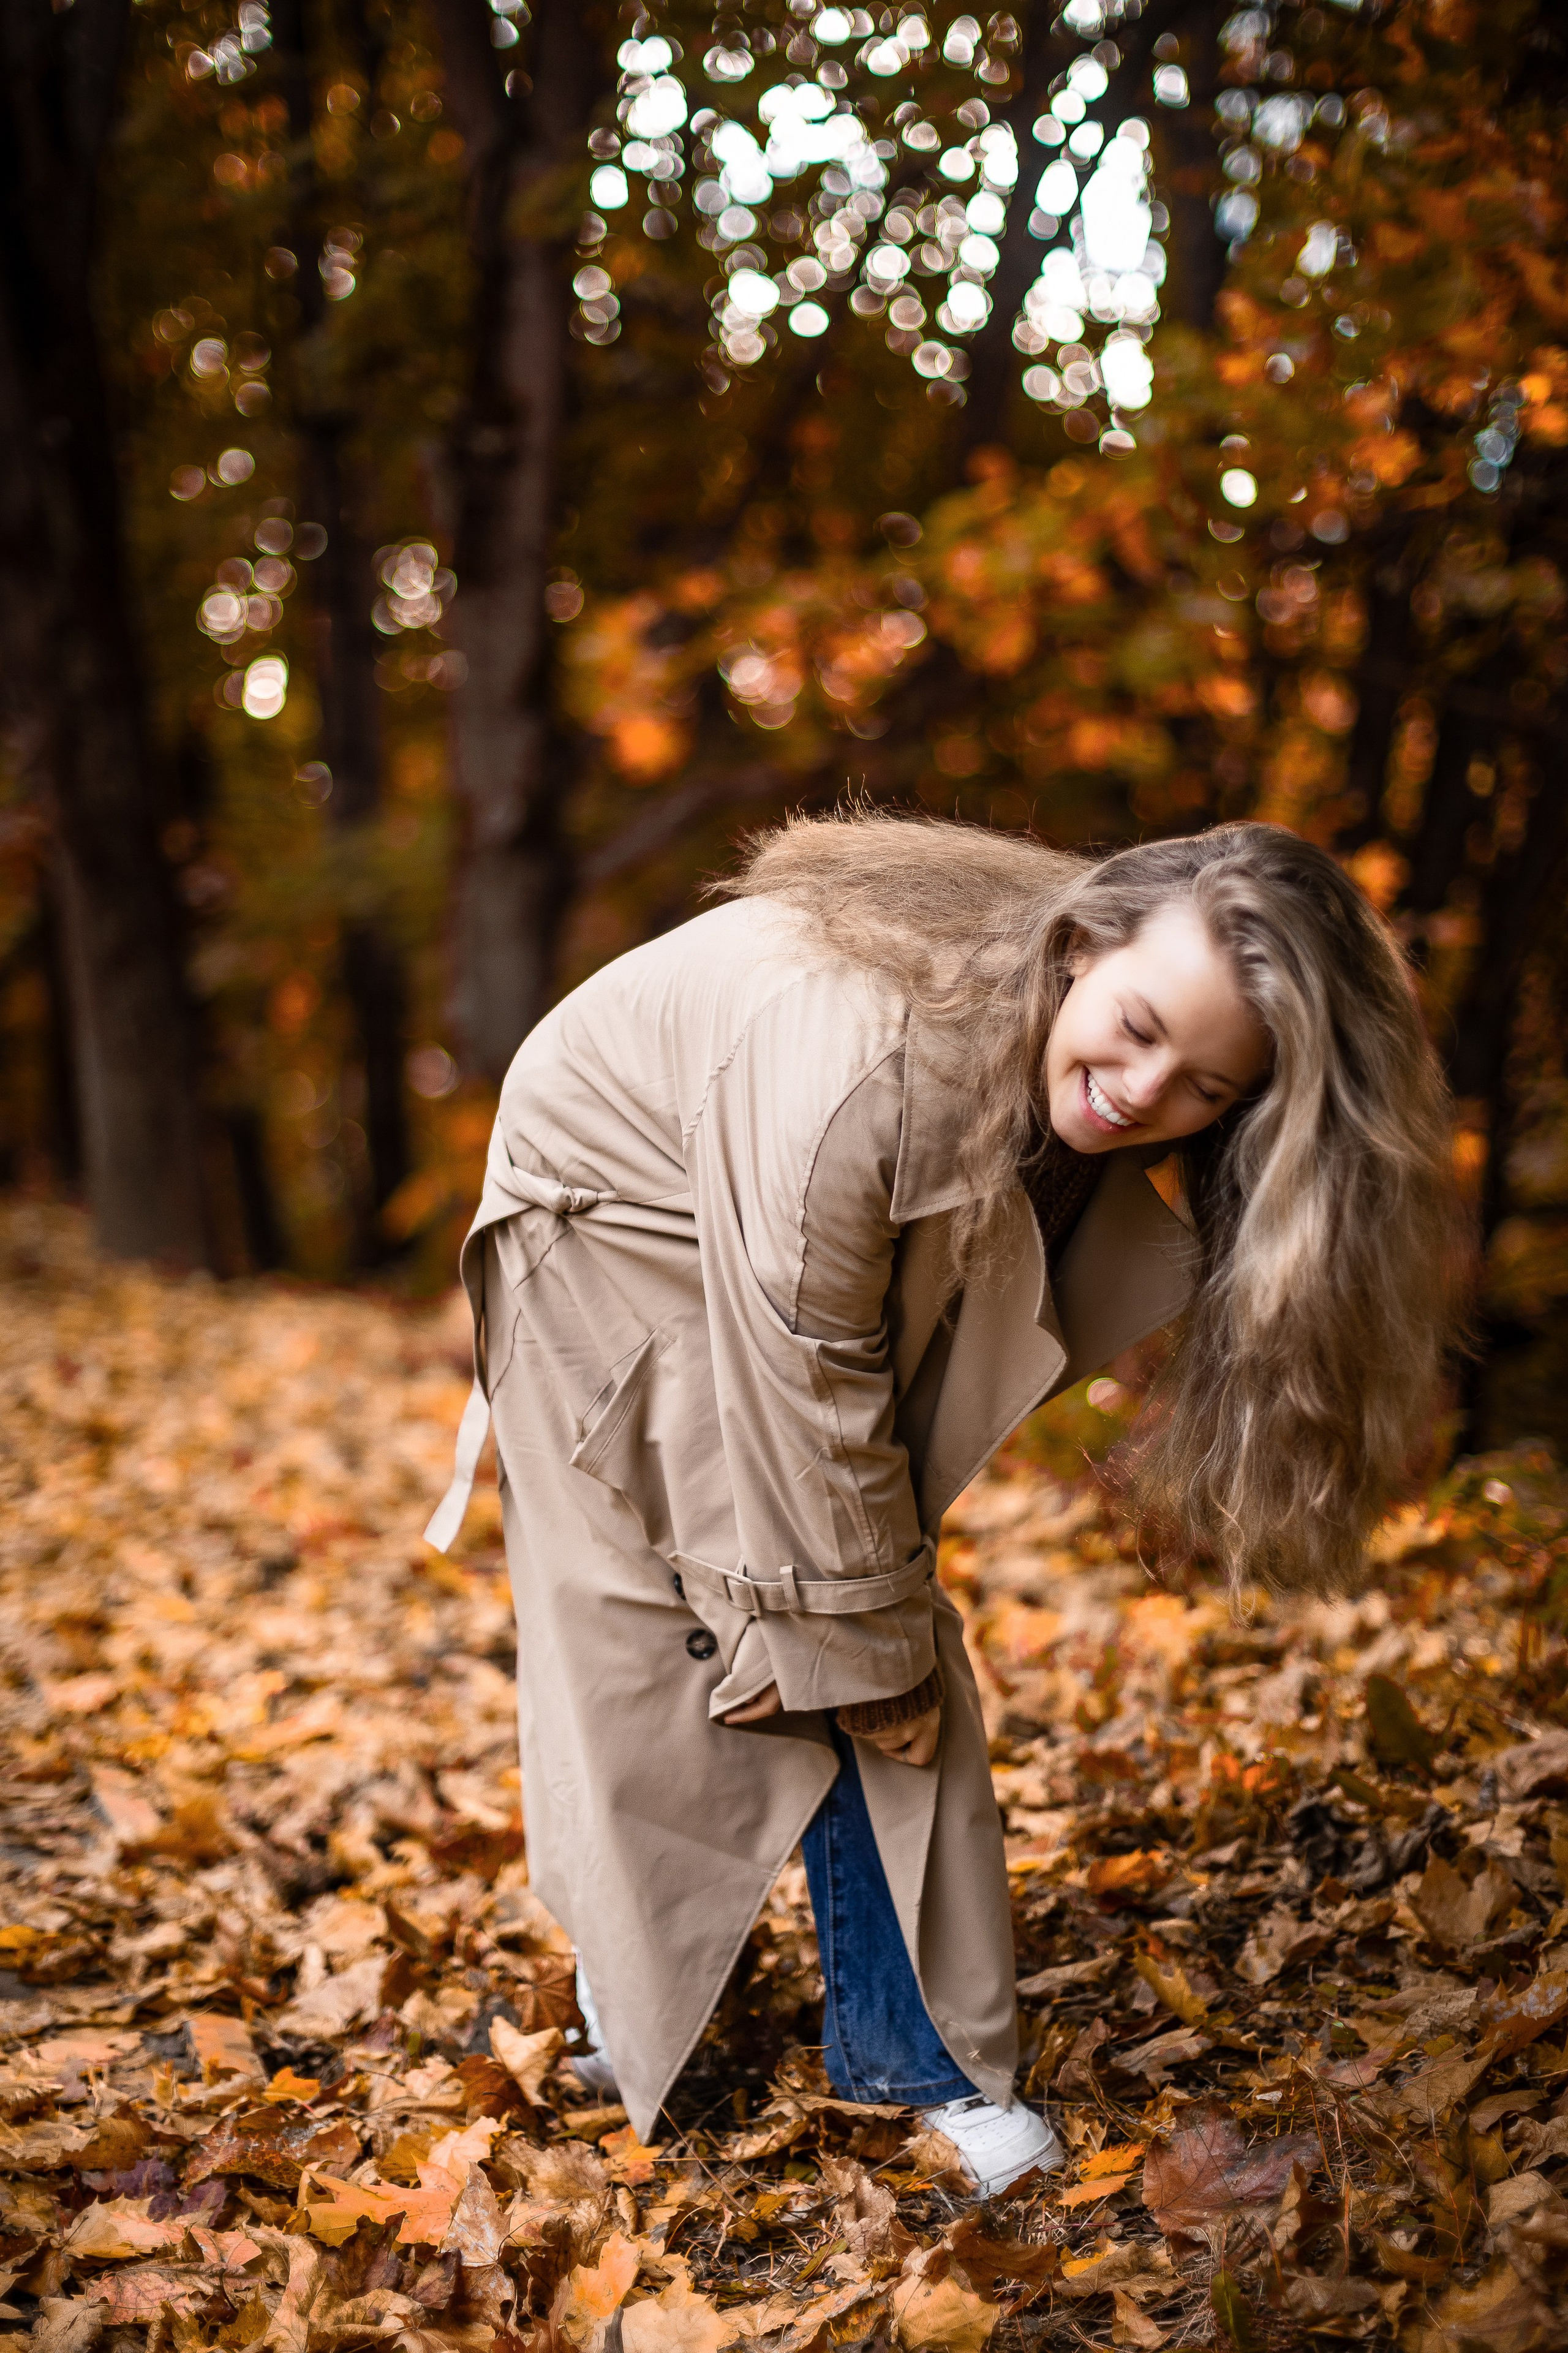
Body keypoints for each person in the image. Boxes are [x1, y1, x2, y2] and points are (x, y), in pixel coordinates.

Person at [426, 813, 1457, 2195]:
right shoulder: (857, 1067)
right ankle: (889, 2056)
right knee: (805, 1630)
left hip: (770, 1194)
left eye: (1205, 1086)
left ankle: (766, 1992)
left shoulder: (1023, 1036)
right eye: (1138, 1027)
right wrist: (860, 1646)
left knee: (833, 1595)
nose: (1141, 1093)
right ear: (1084, 943)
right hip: (610, 1214)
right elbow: (807, 1394)